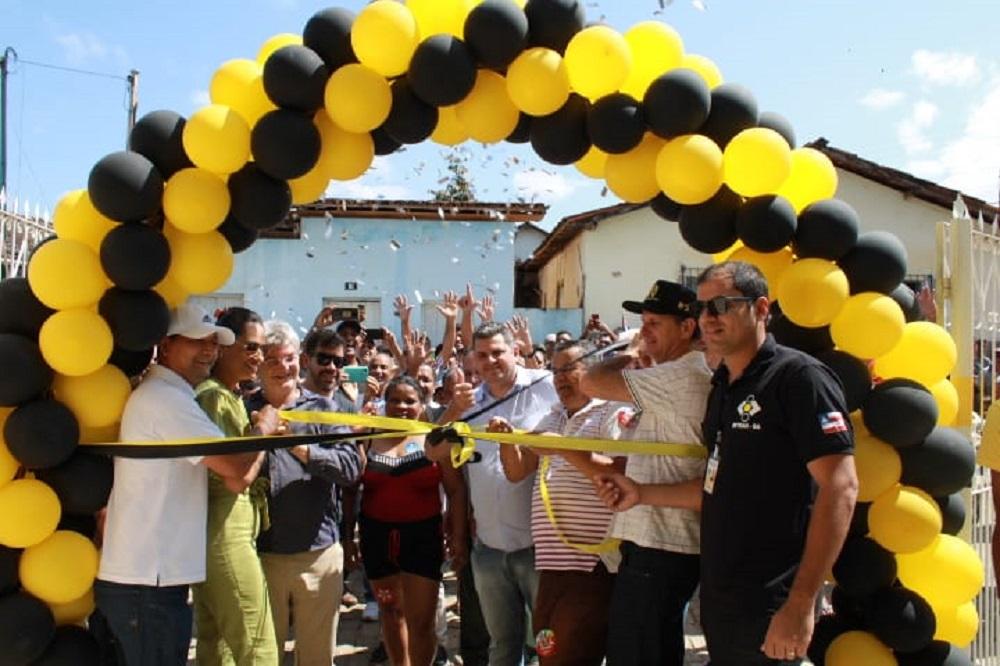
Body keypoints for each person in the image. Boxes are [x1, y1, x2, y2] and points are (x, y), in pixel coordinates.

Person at [598, 262, 858, 665]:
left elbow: (841, 488)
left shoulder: (798, 377)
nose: (708, 318)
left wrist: (801, 602)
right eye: (702, 308)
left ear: (760, 308)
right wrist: (642, 493)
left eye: (721, 305)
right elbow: (718, 485)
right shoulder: (723, 386)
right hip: (722, 599)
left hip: (774, 600)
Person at [95, 303, 283, 666]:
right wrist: (264, 427)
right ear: (165, 346)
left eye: (214, 342)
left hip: (151, 583)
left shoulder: (171, 396)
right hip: (147, 586)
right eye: (198, 341)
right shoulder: (166, 399)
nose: (210, 351)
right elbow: (236, 470)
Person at [577, 280, 712, 666]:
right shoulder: (674, 372)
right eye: (643, 322)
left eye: (654, 323)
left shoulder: (682, 374)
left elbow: (590, 381)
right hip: (654, 537)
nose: (644, 331)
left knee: (639, 653)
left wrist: (629, 351)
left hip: (663, 542)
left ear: (687, 328)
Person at [429, 322, 559, 666]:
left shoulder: (546, 386)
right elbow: (434, 452)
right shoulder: (469, 403)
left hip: (540, 547)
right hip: (488, 549)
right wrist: (454, 410)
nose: (490, 361)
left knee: (546, 644)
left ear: (516, 351)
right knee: (502, 645)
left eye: (498, 352)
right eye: (482, 355)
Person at [495, 340, 628, 666]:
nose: (559, 378)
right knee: (548, 648)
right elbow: (516, 471)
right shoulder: (552, 415)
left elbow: (619, 474)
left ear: (593, 371)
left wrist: (562, 447)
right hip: (552, 563)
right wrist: (506, 441)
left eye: (569, 368)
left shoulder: (612, 411)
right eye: (555, 370)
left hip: (592, 563)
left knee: (570, 654)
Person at [247, 320, 364, 666]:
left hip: (318, 554)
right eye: (272, 360)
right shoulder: (243, 408)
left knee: (316, 657)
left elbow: (350, 469)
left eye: (288, 358)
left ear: (298, 359)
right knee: (263, 656)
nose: (283, 367)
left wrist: (306, 452)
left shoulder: (323, 410)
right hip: (261, 556)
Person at [344, 376, 469, 666]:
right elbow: (350, 490)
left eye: (409, 401)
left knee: (421, 621)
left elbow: (456, 488)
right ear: (383, 404)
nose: (401, 406)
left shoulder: (434, 437)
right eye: (394, 400)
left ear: (422, 403)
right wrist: (349, 537)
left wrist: (459, 536)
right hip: (377, 539)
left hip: (422, 539)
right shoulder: (370, 433)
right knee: (390, 610)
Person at [193, 307, 279, 665]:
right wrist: (264, 431)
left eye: (261, 349)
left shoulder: (226, 395)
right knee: (258, 649)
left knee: (220, 647)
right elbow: (239, 475)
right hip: (225, 531)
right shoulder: (214, 396)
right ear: (223, 346)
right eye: (250, 347)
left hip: (221, 529)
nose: (258, 357)